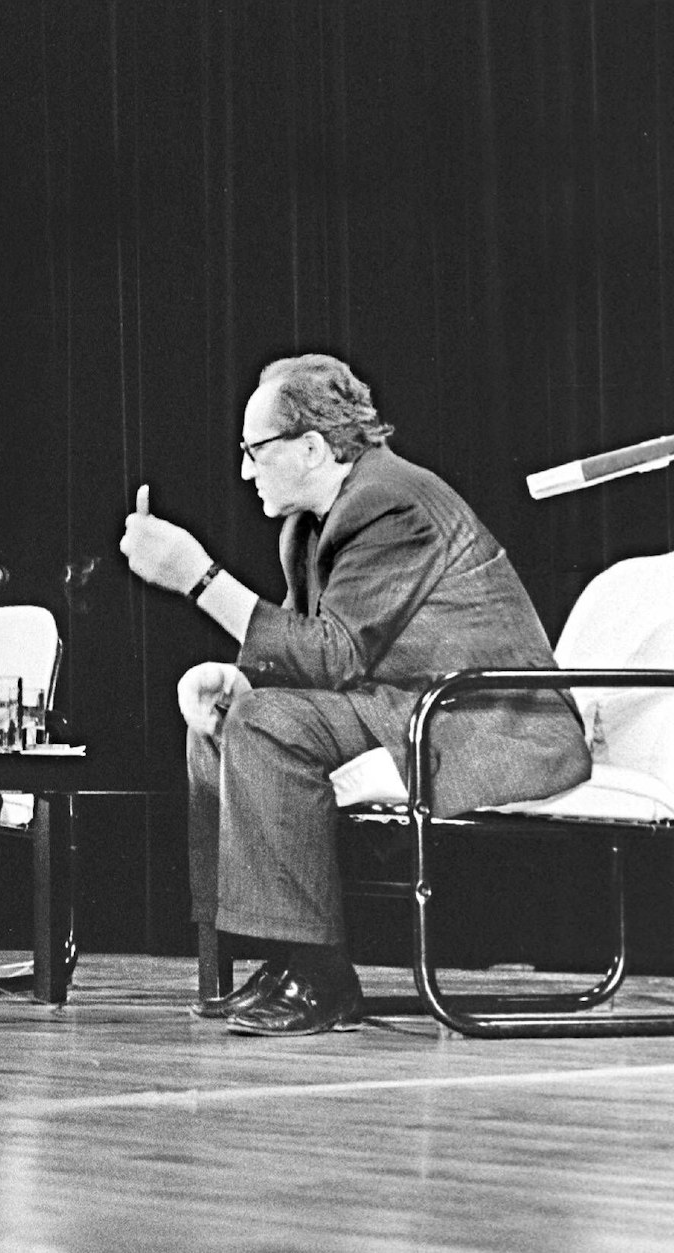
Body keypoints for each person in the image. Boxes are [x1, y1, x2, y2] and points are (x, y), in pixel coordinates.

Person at [119, 352, 593, 1036]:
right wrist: (239, 678)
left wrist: (197, 577)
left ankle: (318, 974)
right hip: (405, 702)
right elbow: (310, 652)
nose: (245, 470)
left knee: (266, 725)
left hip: (486, 719)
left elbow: (335, 653)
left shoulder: (390, 500)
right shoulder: (310, 524)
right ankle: (275, 956)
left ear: (311, 447)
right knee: (227, 717)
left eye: (254, 451)